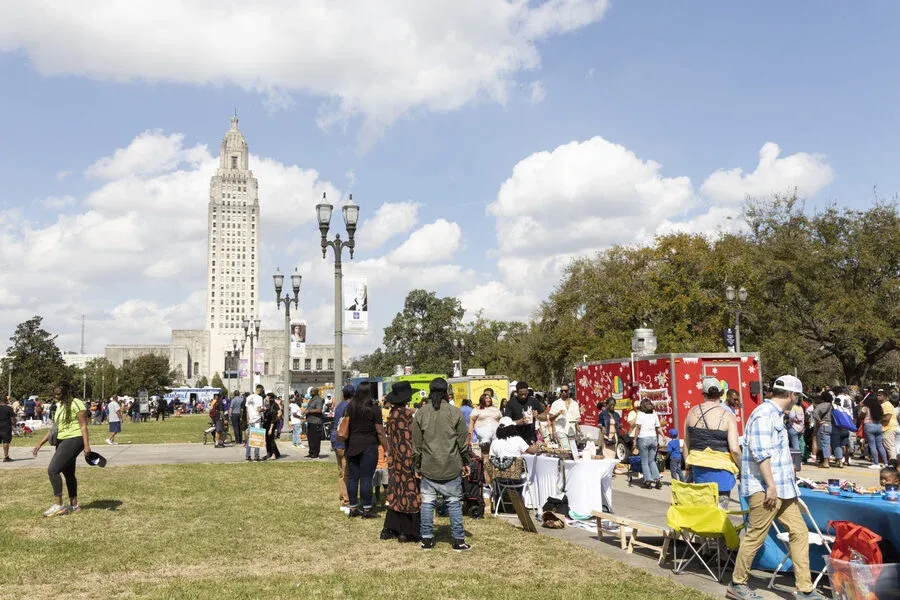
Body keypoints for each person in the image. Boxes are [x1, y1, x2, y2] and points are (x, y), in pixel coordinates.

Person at [728, 375, 826, 600]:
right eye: (798, 397)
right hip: (766, 489)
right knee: (756, 536)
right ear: (792, 395)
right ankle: (737, 584)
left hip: (783, 489)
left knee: (799, 532)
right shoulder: (764, 415)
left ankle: (805, 589)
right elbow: (762, 454)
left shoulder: (776, 415)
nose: (798, 401)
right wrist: (770, 486)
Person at [413, 378, 471, 551]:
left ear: (430, 392)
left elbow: (416, 445)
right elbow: (462, 443)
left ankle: (427, 540)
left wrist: (417, 466)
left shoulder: (421, 413)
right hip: (451, 465)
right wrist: (466, 462)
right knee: (453, 503)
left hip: (428, 466)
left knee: (428, 503)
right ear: (447, 392)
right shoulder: (455, 412)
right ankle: (459, 541)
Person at [32, 385, 92, 517]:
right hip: (62, 440)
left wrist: (86, 446)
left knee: (53, 470)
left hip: (74, 439)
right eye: (55, 394)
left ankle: (58, 506)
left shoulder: (77, 403)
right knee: (68, 473)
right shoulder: (61, 406)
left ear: (66, 393)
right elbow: (54, 428)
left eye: (58, 394)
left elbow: (83, 425)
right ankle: (74, 505)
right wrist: (39, 444)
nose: (56, 397)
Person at [683, 377, 741, 507]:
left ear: (703, 393)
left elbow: (686, 445)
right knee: (719, 515)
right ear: (721, 394)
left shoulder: (691, 412)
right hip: (722, 474)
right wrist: (742, 468)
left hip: (699, 472)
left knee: (703, 512)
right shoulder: (728, 415)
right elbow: (735, 449)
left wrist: (688, 468)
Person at [380, 380, 421, 543]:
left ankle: (391, 527)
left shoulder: (392, 413)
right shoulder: (407, 413)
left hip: (395, 456)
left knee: (396, 491)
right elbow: (412, 437)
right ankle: (407, 531)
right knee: (409, 492)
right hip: (407, 456)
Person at [345, 383, 387, 519]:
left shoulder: (350, 407)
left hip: (352, 444)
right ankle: (367, 509)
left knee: (353, 478)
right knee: (366, 478)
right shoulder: (373, 408)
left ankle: (353, 508)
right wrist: (386, 448)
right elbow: (380, 431)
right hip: (369, 445)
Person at [468, 392, 502, 488]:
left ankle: (493, 480)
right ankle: (488, 482)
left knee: (494, 458)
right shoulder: (476, 410)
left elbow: (501, 422)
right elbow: (471, 424)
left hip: (496, 438)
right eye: (486, 398)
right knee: (486, 458)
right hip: (484, 439)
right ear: (482, 399)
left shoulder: (496, 410)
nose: (488, 400)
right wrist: (469, 437)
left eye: (489, 398)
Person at [631, 398, 663, 489]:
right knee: (652, 461)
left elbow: (638, 428)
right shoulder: (654, 414)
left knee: (644, 462)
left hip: (643, 438)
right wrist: (663, 436)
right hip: (653, 439)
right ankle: (657, 480)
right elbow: (658, 428)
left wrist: (634, 440)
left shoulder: (640, 414)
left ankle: (648, 480)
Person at [331, 385, 354, 512]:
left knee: (342, 472)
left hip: (336, 439)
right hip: (343, 440)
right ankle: (346, 501)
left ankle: (343, 500)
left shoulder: (339, 405)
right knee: (347, 473)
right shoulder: (349, 407)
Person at [858, 392, 888, 468]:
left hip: (869, 426)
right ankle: (886, 463)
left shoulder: (866, 407)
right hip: (878, 425)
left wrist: (860, 407)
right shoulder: (879, 406)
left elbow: (860, 416)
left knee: (872, 445)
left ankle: (876, 463)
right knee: (880, 445)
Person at [244, 385, 264, 462]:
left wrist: (248, 420)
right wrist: (264, 409)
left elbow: (247, 410)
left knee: (249, 438)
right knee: (257, 438)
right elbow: (259, 410)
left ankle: (247, 455)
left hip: (250, 419)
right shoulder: (259, 398)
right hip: (257, 419)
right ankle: (256, 456)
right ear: (260, 390)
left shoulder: (248, 397)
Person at [305, 387, 325, 459]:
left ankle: (316, 454)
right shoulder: (311, 399)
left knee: (315, 438)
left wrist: (309, 411)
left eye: (311, 391)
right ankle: (311, 452)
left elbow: (319, 410)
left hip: (316, 422)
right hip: (310, 421)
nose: (310, 392)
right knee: (310, 438)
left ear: (316, 392)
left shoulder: (319, 400)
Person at [878, 389, 897, 461]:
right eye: (878, 395)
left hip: (888, 428)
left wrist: (878, 420)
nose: (878, 396)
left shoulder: (887, 405)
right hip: (887, 428)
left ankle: (893, 463)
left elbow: (887, 418)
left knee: (890, 447)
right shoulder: (883, 405)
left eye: (880, 395)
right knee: (889, 446)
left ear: (885, 396)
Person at [262, 393, 282, 459]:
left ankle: (274, 454)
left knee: (271, 439)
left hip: (272, 424)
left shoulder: (274, 405)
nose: (266, 398)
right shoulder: (267, 405)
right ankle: (268, 453)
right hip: (266, 424)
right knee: (267, 439)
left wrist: (277, 417)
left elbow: (279, 412)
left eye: (267, 397)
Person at [0, 395, 14, 462]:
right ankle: (6, 457)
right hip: (6, 427)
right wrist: (14, 423)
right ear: (6, 401)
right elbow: (13, 419)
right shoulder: (9, 408)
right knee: (6, 441)